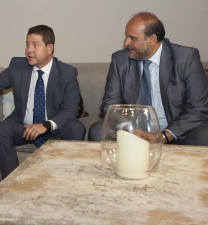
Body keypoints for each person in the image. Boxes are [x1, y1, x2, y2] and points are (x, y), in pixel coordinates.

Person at [0, 25, 86, 179]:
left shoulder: (67, 72)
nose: (29, 50)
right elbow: (0, 79)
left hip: (53, 128)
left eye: (35, 45)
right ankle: (11, 185)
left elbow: (70, 110)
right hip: (24, 127)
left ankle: (65, 182)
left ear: (50, 48)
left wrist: (46, 125)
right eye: (27, 44)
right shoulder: (18, 65)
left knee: (76, 128)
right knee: (1, 130)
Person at [88, 12, 208, 146]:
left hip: (176, 132)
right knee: (97, 130)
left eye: (132, 38)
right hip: (134, 132)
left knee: (204, 136)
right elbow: (110, 104)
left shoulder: (185, 58)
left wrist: (165, 136)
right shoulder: (120, 60)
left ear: (152, 39)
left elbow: (199, 107)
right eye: (126, 37)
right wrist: (131, 130)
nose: (127, 42)